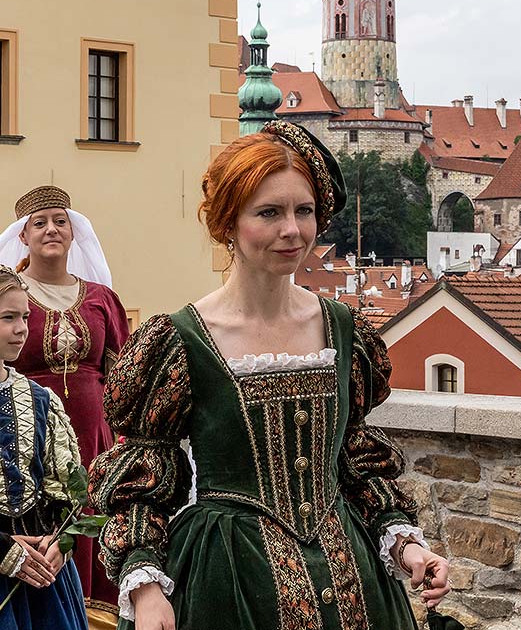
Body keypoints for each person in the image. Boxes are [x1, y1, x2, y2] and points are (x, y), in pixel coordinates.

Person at [89, 121, 450, 630]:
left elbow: (355, 458)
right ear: (227, 224)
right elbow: (143, 483)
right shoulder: (180, 341)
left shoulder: (344, 330)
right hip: (226, 583)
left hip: (352, 577)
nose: (293, 230)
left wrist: (408, 545)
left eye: (304, 211)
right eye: (269, 213)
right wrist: (147, 588)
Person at [0, 185, 130, 628]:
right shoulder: (13, 295)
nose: (52, 230)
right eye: (40, 222)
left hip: (95, 439)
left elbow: (122, 381)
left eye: (60, 221)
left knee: (89, 514)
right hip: (26, 434)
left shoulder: (100, 298)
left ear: (75, 232)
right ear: (23, 235)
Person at [0, 265, 88, 630]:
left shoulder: (41, 401)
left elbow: (69, 493)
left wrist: (61, 543)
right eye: (7, 318)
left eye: (25, 316)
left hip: (42, 586)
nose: (22, 328)